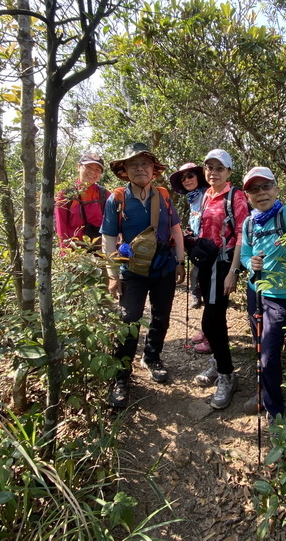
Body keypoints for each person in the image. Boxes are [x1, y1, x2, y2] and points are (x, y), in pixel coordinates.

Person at [101, 142, 186, 409]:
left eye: (145, 164)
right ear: (125, 170)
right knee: (129, 321)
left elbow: (175, 229)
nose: (140, 169)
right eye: (134, 164)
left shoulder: (163, 195)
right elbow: (109, 238)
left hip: (164, 267)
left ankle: (152, 358)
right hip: (132, 272)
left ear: (153, 169)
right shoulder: (117, 199)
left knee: (161, 317)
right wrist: (112, 274)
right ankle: (122, 377)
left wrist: (181, 261)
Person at [240, 166, 286, 423]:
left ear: (276, 188)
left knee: (268, 355)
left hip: (282, 296)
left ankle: (275, 412)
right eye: (254, 189)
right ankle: (265, 395)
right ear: (248, 196)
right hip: (255, 291)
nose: (261, 193)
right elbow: (245, 254)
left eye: (266, 186)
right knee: (258, 349)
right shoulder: (249, 222)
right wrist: (249, 263)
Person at [192, 149, 250, 409]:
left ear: (228, 171)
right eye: (209, 167)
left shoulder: (235, 197)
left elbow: (241, 235)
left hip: (224, 264)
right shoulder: (206, 195)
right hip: (206, 264)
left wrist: (233, 272)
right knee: (214, 318)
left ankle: (227, 376)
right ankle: (218, 362)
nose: (212, 172)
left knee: (211, 321)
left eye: (218, 168)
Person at [169, 162, 211, 354]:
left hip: (210, 252)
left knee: (211, 295)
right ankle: (206, 330)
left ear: (199, 176)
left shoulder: (206, 194)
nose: (187, 180)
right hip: (199, 251)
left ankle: (211, 337)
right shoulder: (193, 198)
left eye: (190, 175)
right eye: (183, 177)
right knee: (205, 289)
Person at [55, 151, 110, 252]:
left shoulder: (105, 195)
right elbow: (61, 226)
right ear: (79, 166)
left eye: (97, 169)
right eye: (88, 167)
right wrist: (65, 253)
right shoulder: (65, 194)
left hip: (99, 254)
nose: (93, 172)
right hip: (75, 254)